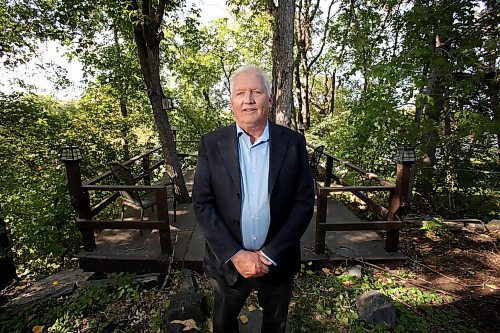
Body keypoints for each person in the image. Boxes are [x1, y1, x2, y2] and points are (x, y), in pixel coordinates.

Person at [192, 65, 315, 333]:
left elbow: (304, 203)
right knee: (224, 322)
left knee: (275, 323)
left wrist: (269, 254)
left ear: (269, 100)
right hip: (228, 265)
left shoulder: (293, 143)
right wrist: (235, 255)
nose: (248, 100)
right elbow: (202, 203)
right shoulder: (211, 144)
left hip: (278, 261)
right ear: (231, 103)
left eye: (256, 92)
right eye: (240, 93)